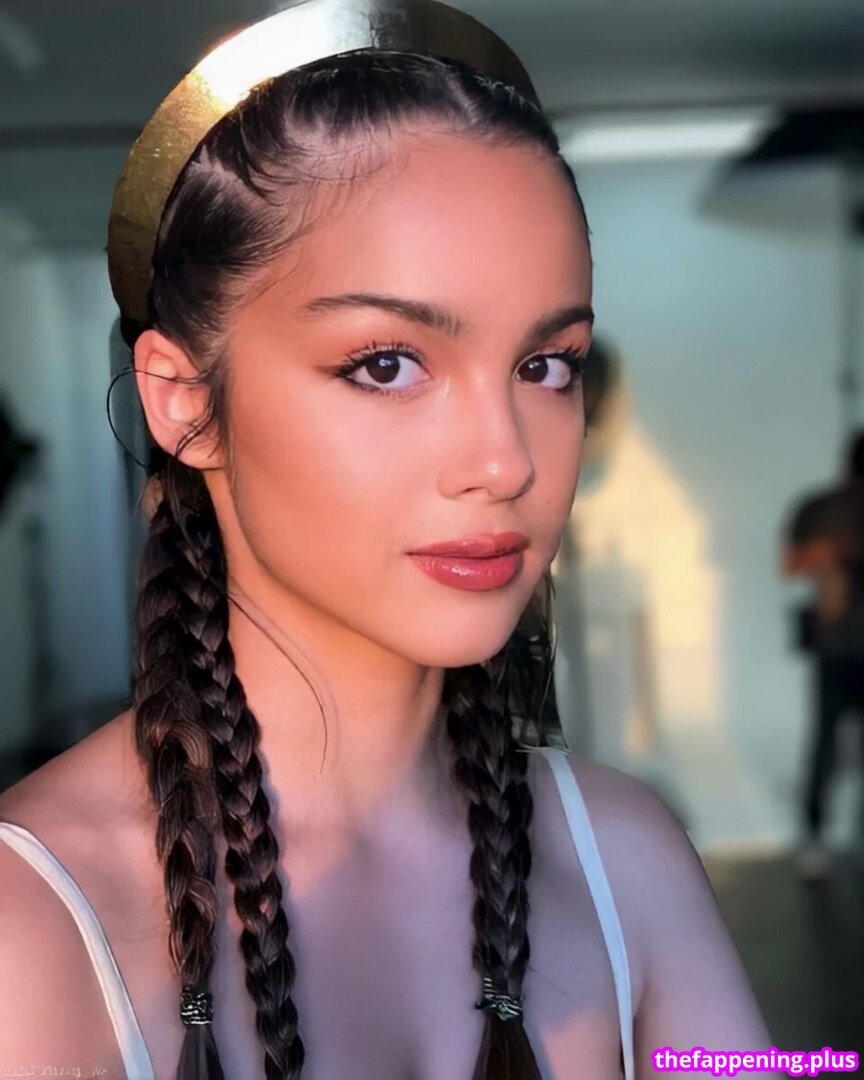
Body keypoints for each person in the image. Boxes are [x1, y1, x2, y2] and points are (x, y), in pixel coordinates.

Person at [0, 2, 777, 1077]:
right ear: (184, 402)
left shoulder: (625, 862)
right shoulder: (31, 925)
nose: (504, 461)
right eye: (386, 364)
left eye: (545, 365)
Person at [781, 429, 864, 881]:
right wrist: (833, 554)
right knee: (826, 746)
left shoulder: (819, 509)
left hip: (834, 646)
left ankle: (815, 838)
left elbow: (791, 565)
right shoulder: (822, 510)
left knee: (825, 745)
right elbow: (793, 565)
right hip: (837, 646)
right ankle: (814, 837)